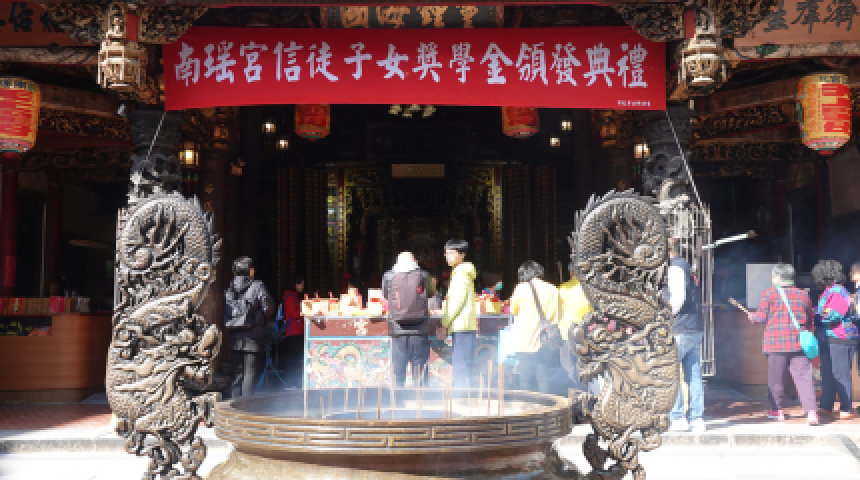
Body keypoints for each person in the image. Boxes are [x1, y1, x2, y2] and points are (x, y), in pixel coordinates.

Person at [748, 263, 818, 425]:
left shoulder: (769, 294)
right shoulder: (803, 294)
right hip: (799, 342)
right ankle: (811, 412)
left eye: (773, 276)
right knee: (804, 377)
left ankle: (777, 410)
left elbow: (760, 317)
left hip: (776, 343)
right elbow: (810, 317)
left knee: (776, 378)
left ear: (778, 278)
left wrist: (752, 317)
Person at [665, 238, 706, 433]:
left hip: (679, 327)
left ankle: (677, 417)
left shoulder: (675, 267)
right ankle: (696, 417)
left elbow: (678, 298)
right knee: (694, 374)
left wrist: (666, 317)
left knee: (672, 373)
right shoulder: (687, 267)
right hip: (694, 327)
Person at [382, 252, 436, 387]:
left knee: (397, 372)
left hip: (397, 331)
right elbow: (431, 293)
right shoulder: (424, 275)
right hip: (420, 331)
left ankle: (397, 398)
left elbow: (386, 294)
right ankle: (421, 398)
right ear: (415, 262)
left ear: (397, 262)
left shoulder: (389, 276)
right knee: (420, 372)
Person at [812, 259, 857, 419]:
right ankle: (826, 405)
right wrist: (818, 312)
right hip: (829, 337)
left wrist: (816, 314)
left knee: (840, 373)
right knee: (828, 372)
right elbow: (826, 311)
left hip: (841, 337)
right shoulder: (829, 290)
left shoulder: (837, 291)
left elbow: (832, 315)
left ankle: (846, 408)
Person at [224, 257, 275, 398]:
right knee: (250, 372)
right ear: (248, 270)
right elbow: (268, 307)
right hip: (254, 335)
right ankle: (246, 406)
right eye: (252, 268)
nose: (254, 270)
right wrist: (264, 318)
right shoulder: (258, 285)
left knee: (237, 373)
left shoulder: (230, 287)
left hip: (235, 335)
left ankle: (234, 405)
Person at [508, 260, 560, 394]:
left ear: (524, 273)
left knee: (525, 379)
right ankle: (544, 405)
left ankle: (526, 405)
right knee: (543, 378)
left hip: (524, 340)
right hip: (545, 340)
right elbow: (557, 317)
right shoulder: (553, 289)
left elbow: (514, 311)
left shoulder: (521, 288)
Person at [439, 239, 477, 390]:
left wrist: (444, 324)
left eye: (452, 253)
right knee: (464, 363)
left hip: (462, 326)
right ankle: (464, 394)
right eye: (446, 253)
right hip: (464, 325)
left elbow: (456, 302)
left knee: (461, 364)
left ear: (462, 254)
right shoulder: (461, 272)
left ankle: (461, 396)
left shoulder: (461, 274)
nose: (448, 257)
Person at [558, 262, 592, 391]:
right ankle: (585, 390)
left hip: (567, 332)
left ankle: (572, 390)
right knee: (584, 363)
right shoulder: (589, 288)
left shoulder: (562, 289)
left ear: (571, 273)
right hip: (585, 333)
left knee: (568, 366)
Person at [280, 275, 306, 389]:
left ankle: (292, 382)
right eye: (301, 284)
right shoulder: (290, 296)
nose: (302, 287)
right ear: (296, 284)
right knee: (293, 358)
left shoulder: (293, 295)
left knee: (294, 358)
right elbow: (293, 313)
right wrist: (305, 312)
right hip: (293, 331)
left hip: (296, 331)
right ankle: (290, 383)